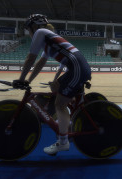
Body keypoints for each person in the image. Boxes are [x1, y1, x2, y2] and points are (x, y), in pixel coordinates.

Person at [13, 14, 91, 155]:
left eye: (28, 29)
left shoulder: (40, 32)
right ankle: (69, 121)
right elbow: (40, 63)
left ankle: (63, 142)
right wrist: (27, 81)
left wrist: (22, 78)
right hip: (77, 67)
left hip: (76, 68)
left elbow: (31, 58)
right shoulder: (47, 42)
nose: (28, 33)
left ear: (34, 27)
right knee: (55, 86)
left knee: (59, 104)